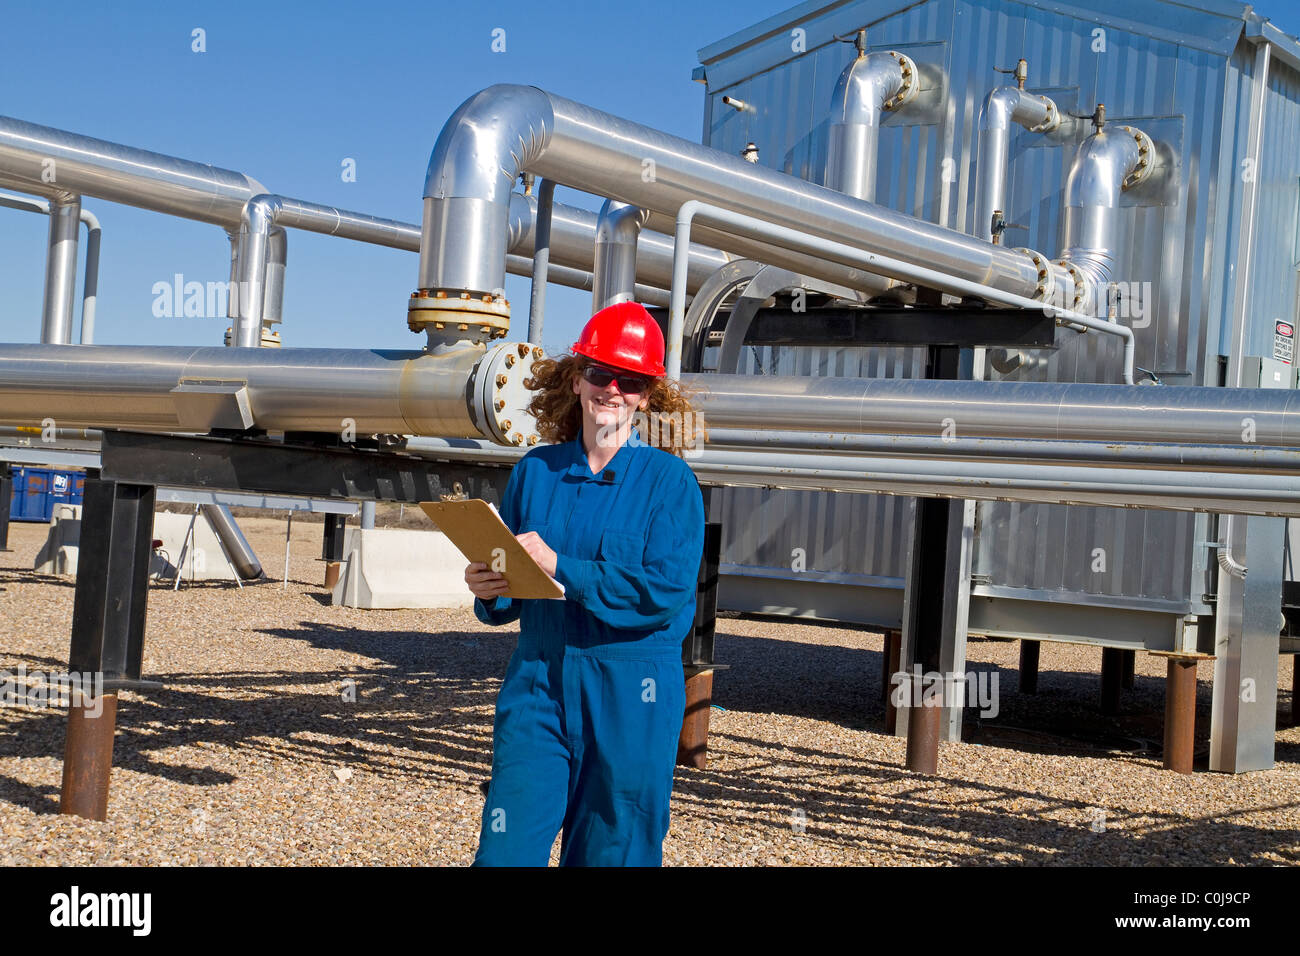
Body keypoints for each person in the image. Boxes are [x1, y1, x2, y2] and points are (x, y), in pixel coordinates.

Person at [464, 301, 705, 867]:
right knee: (506, 846)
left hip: (632, 690)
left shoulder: (670, 483)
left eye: (630, 380)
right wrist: (489, 589)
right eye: (599, 373)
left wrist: (561, 565)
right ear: (576, 379)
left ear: (647, 394)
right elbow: (513, 591)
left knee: (613, 851)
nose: (612, 389)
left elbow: (663, 591)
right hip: (538, 682)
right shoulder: (535, 472)